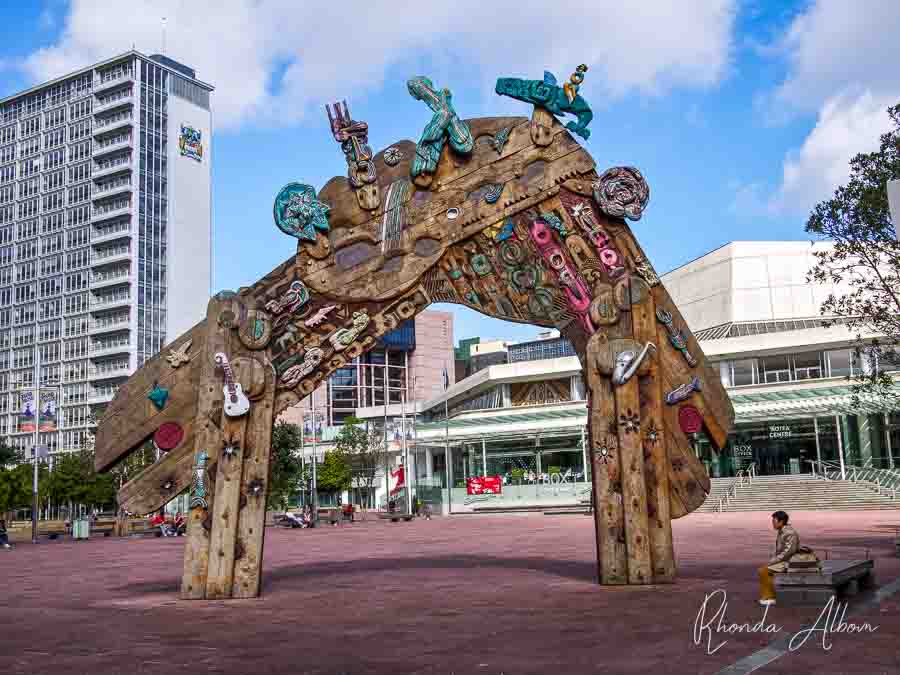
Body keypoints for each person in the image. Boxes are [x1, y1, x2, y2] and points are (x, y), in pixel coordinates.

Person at [758, 510, 799, 606]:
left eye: (774, 521)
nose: (773, 523)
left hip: (790, 562)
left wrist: (774, 561)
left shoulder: (789, 533)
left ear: (781, 522)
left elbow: (788, 552)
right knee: (764, 570)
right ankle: (768, 595)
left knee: (764, 571)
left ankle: (770, 597)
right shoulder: (783, 531)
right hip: (785, 560)